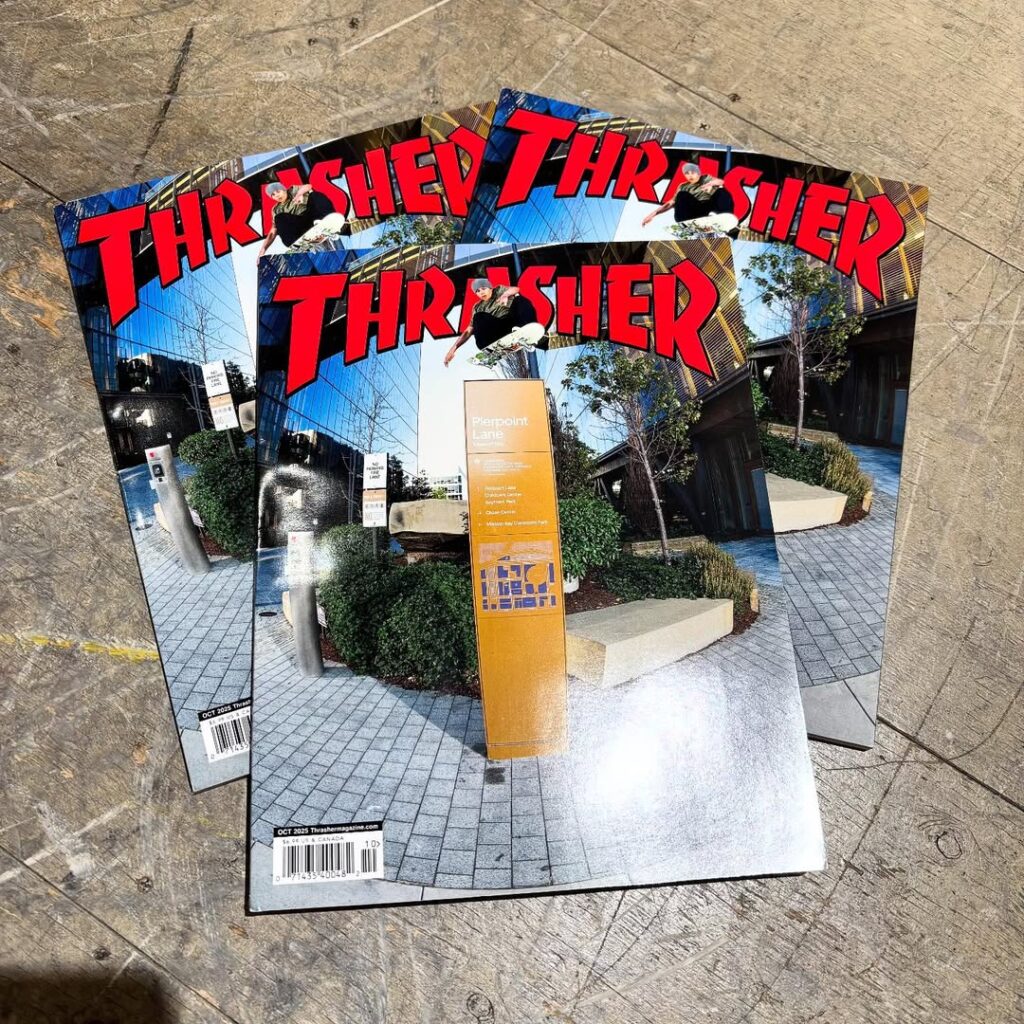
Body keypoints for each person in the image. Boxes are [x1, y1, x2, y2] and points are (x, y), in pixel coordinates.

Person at [443, 279, 548, 368]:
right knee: (478, 317)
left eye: (483, 288)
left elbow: (516, 289)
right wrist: (453, 348)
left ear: (490, 288)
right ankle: (489, 348)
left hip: (514, 323)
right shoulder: (477, 307)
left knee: (519, 299)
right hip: (498, 331)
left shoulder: (498, 290)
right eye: (477, 291)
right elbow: (468, 331)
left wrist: (505, 295)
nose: (481, 292)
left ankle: (526, 330)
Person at [640, 162, 739, 234]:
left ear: (698, 173)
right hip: (694, 211)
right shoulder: (683, 186)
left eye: (693, 173)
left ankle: (726, 218)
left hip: (710, 207)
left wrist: (711, 183)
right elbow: (670, 203)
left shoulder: (705, 178)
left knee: (721, 191)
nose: (690, 175)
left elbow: (721, 182)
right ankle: (685, 223)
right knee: (681, 195)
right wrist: (653, 214)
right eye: (687, 173)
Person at [258, 181, 350, 256]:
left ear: (284, 189)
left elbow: (308, 186)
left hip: (314, 218)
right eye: (273, 195)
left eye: (278, 191)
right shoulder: (276, 209)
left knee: (315, 195)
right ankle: (295, 242)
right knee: (279, 218)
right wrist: (263, 248)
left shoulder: (292, 190)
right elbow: (273, 232)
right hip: (301, 227)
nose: (277, 196)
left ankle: (326, 220)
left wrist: (299, 194)